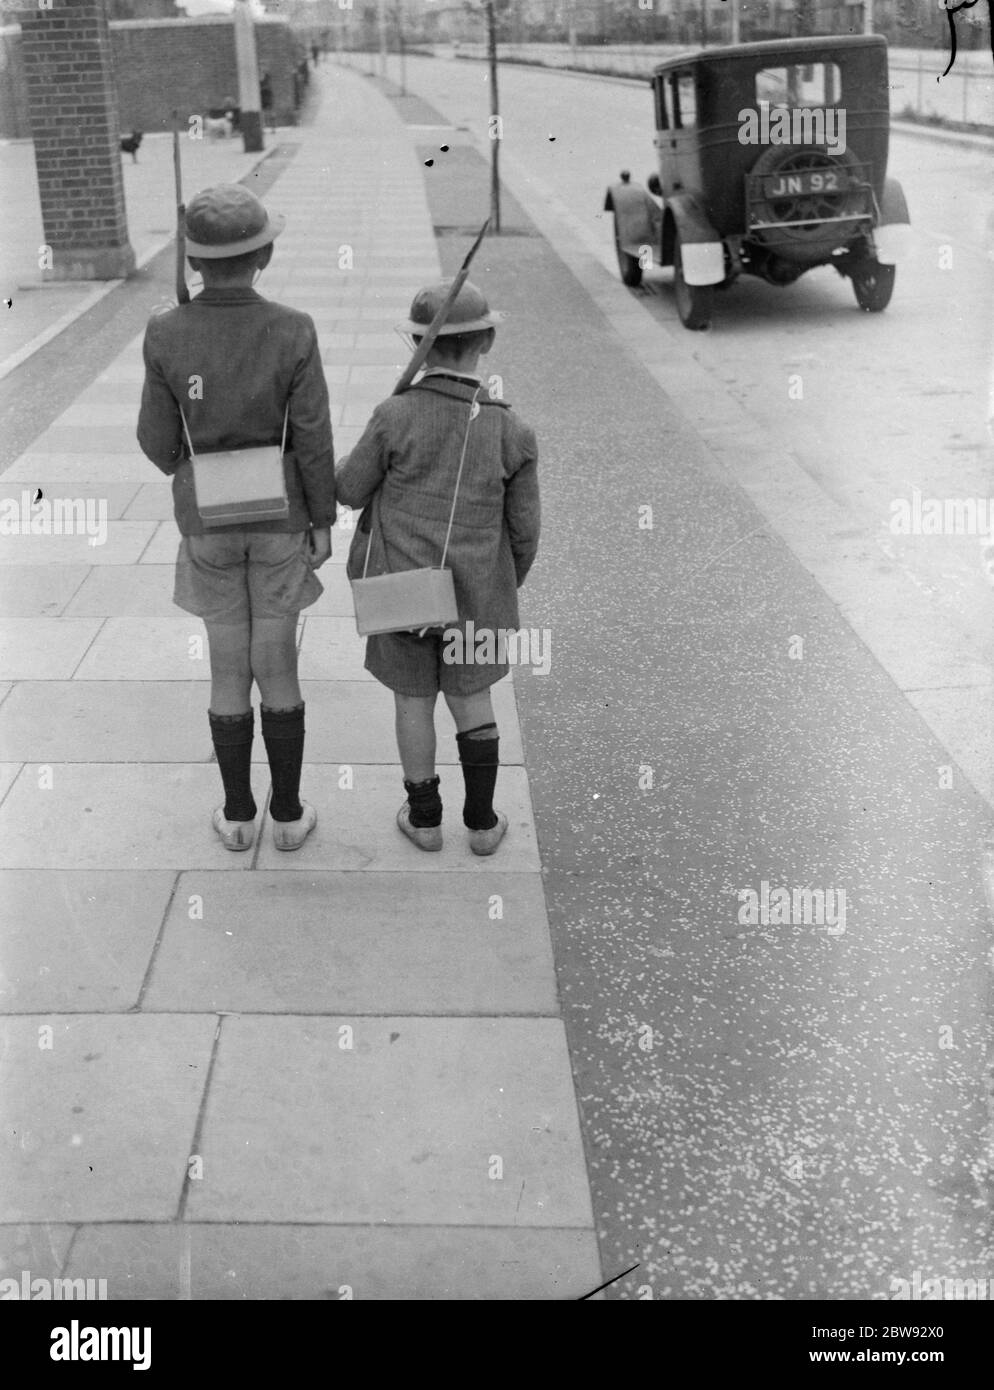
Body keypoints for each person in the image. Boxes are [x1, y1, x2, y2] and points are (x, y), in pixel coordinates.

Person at [137, 185, 335, 853]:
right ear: (267, 254)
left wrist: (192, 467)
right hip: (279, 513)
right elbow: (311, 435)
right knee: (276, 662)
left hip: (208, 521)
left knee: (227, 667)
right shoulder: (293, 328)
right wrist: (322, 518)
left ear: (193, 263)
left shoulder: (165, 331)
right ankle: (287, 814)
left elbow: (154, 440)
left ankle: (237, 813)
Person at [336, 280, 540, 856]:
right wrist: (503, 583)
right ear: (488, 340)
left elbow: (350, 490)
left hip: (402, 591)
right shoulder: (511, 430)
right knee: (474, 700)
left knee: (412, 702)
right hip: (477, 594)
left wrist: (346, 461)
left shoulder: (394, 414)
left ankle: (424, 819)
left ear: (418, 347)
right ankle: (481, 823)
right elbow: (525, 534)